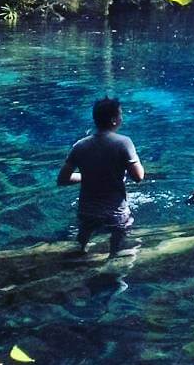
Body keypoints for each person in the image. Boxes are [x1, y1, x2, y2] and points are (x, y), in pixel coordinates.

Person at [57, 97, 145, 256]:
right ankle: (114, 265)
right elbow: (138, 176)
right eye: (120, 115)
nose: (122, 118)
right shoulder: (124, 142)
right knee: (119, 250)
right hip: (115, 214)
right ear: (113, 120)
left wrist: (90, 175)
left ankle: (79, 261)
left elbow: (62, 179)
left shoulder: (80, 145)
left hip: (86, 213)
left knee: (80, 248)